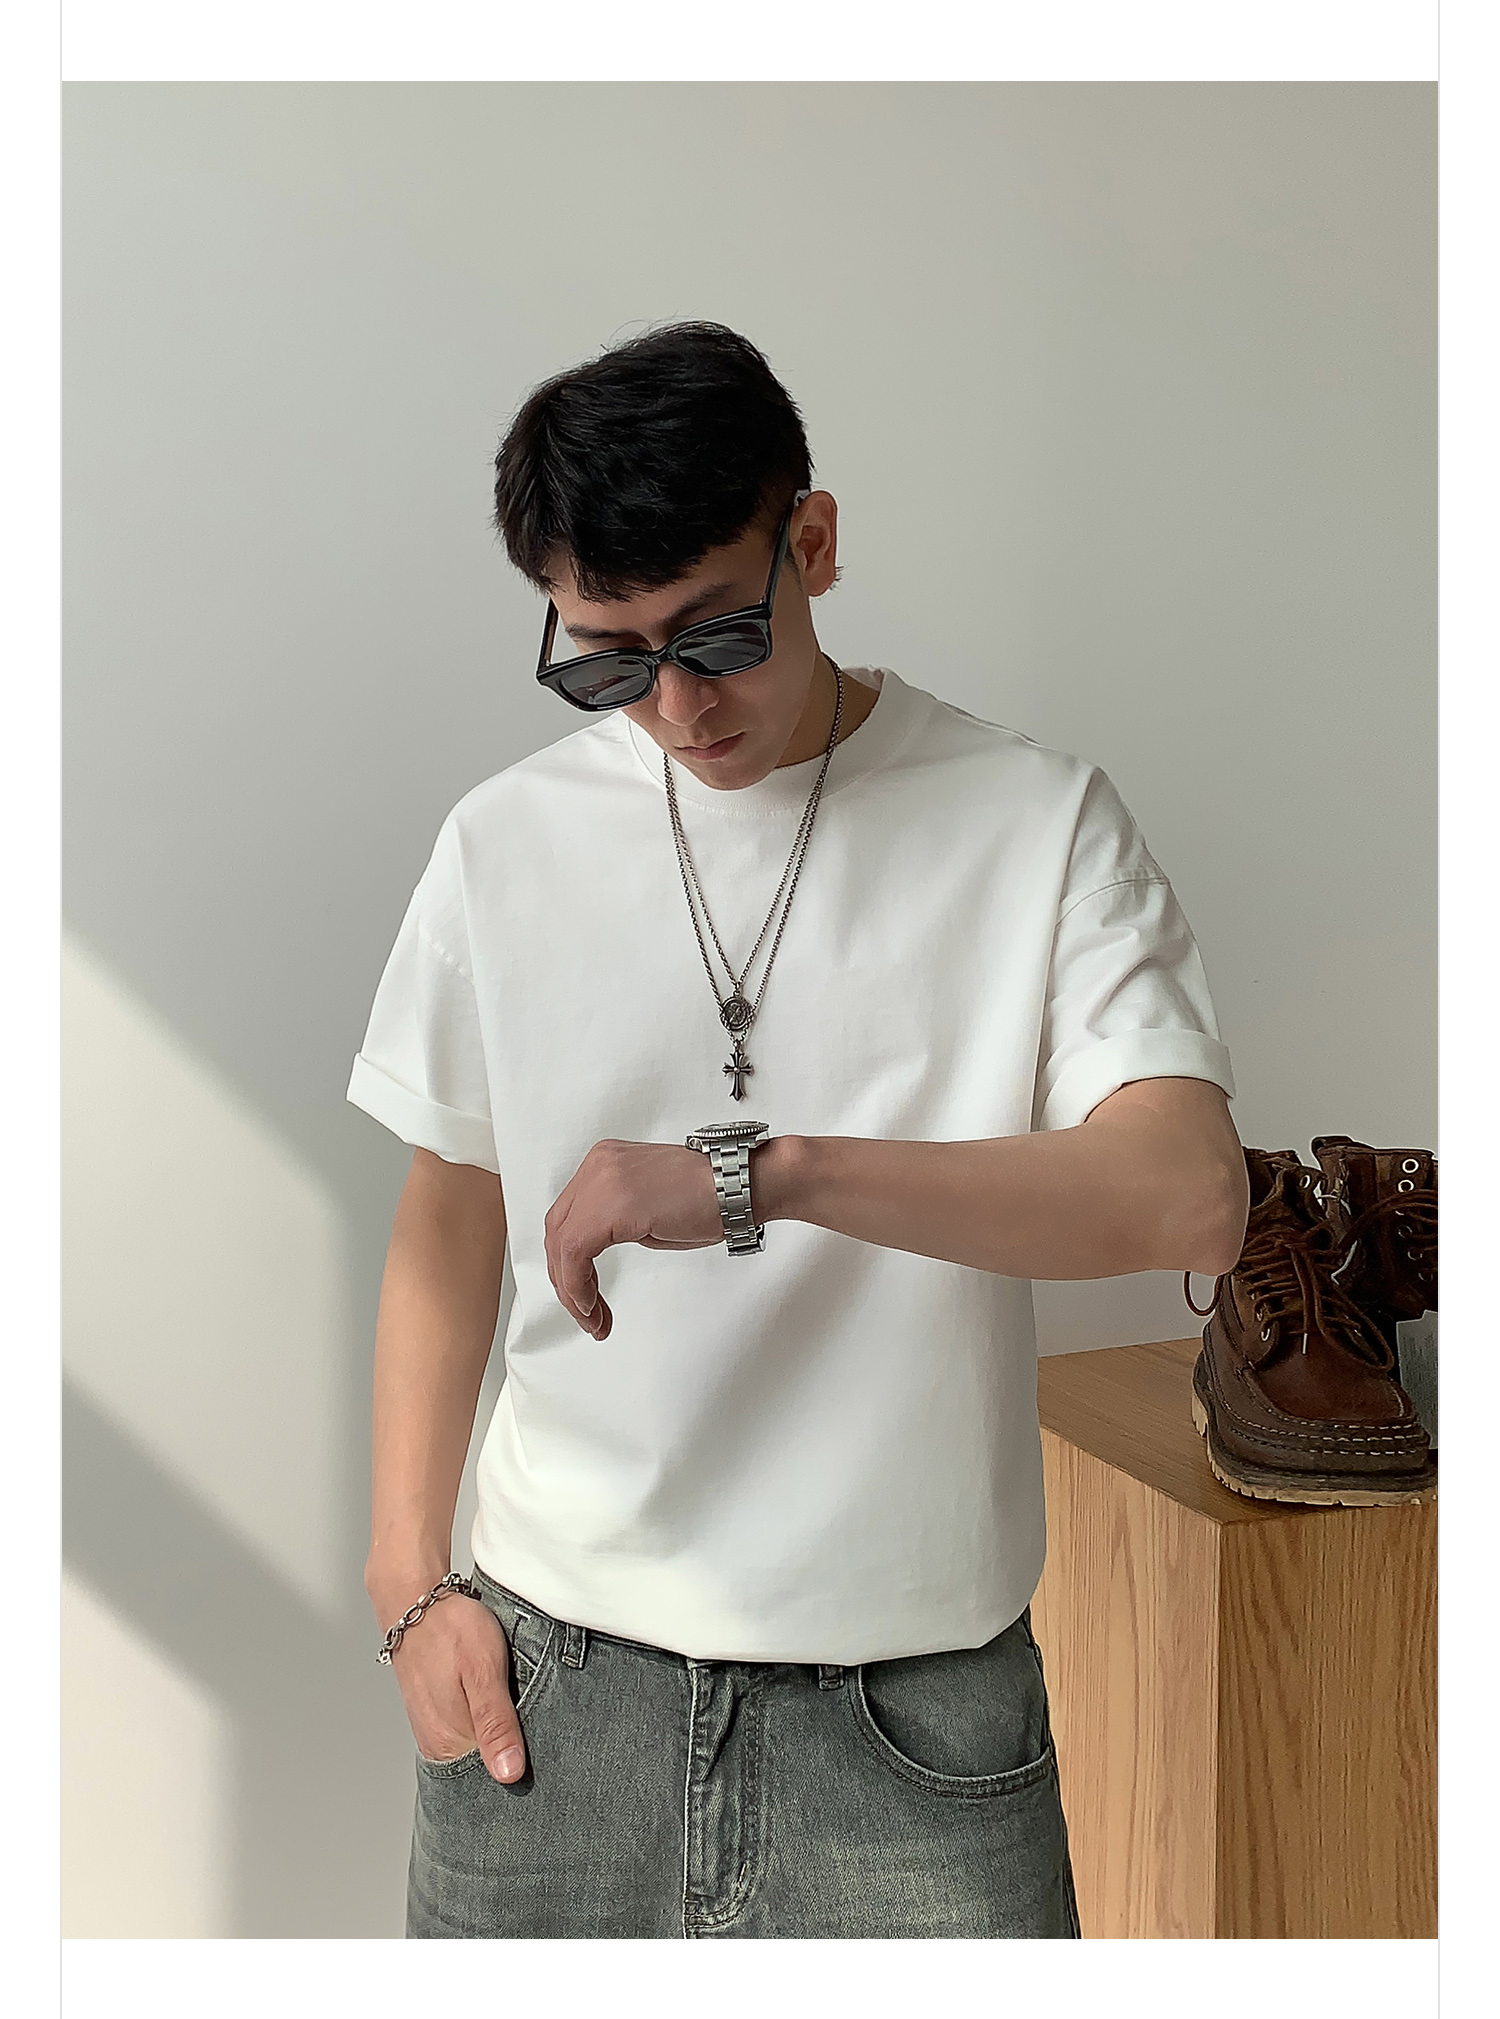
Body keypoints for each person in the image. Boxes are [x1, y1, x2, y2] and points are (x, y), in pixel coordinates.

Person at [347, 321, 1249, 1940]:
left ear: (813, 543)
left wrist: (767, 1176)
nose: (676, 705)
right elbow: (450, 1202)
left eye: (719, 633)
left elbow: (1187, 1199)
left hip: (912, 1726)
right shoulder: (503, 844)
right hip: (549, 1699)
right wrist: (409, 1583)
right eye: (608, 659)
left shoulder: (1034, 825)